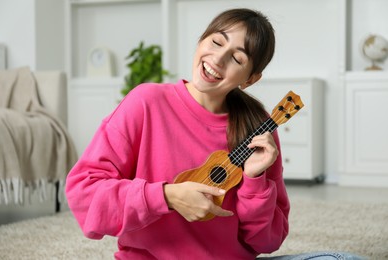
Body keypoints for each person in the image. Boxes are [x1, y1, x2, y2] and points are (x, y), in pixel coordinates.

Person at [66, 8, 364, 260]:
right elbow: (83, 193)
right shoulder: (146, 102)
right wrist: (166, 196)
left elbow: (266, 242)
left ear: (250, 79)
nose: (218, 59)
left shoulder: (256, 126)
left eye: (237, 59)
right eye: (216, 42)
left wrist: (255, 182)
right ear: (201, 41)